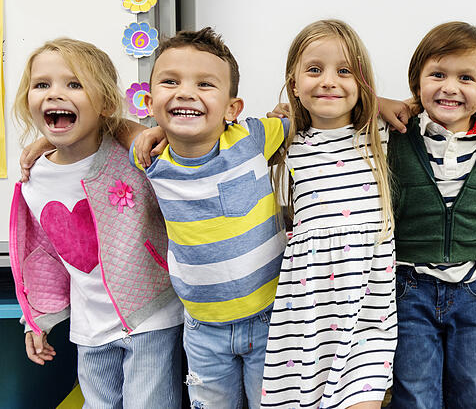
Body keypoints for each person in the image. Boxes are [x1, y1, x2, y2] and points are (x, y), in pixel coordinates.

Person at [10, 38, 183, 408]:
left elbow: (179, 153)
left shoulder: (134, 157)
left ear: (105, 104)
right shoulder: (33, 179)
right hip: (89, 328)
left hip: (152, 316)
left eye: (74, 84)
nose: (55, 93)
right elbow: (44, 257)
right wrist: (36, 319)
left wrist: (128, 130)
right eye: (42, 85)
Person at [130, 27, 290, 409]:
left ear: (232, 109)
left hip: (271, 319)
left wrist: (287, 112)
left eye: (204, 84)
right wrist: (45, 141)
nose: (186, 92)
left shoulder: (252, 138)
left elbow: (306, 116)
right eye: (171, 82)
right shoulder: (151, 157)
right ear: (150, 103)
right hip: (203, 329)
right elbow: (101, 128)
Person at [260, 19, 396, 409]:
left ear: (362, 82)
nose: (328, 81)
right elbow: (213, 138)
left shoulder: (379, 134)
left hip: (368, 313)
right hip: (308, 310)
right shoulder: (285, 141)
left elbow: (444, 104)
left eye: (344, 71)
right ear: (294, 82)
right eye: (315, 70)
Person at [388, 21, 476, 409]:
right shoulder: (396, 135)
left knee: (473, 391)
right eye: (437, 75)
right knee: (415, 394)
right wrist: (407, 104)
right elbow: (355, 108)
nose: (450, 87)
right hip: (410, 286)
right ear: (417, 82)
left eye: (466, 77)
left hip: (473, 289)